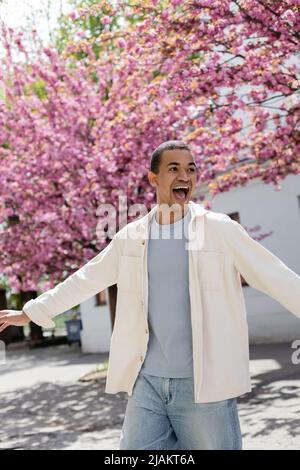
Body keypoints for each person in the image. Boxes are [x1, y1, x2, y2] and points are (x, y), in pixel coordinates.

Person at [1, 140, 300, 450]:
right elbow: (87, 278)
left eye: (191, 169)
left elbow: (274, 276)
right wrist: (32, 311)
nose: (185, 176)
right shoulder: (131, 238)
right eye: (174, 169)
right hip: (148, 383)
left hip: (203, 385)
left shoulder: (219, 230)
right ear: (153, 179)